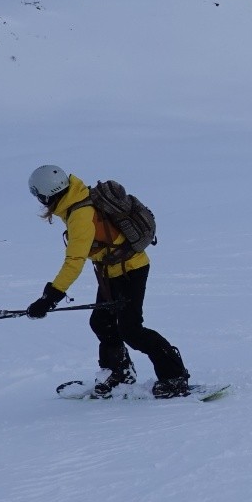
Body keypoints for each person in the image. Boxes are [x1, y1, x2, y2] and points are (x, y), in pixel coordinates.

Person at [26, 164, 191, 398]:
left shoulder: (80, 215)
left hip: (131, 270)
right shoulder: (75, 202)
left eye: (38, 195)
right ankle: (119, 374)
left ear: (46, 194)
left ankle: (175, 377)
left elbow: (74, 261)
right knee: (101, 321)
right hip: (112, 271)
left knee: (131, 330)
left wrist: (50, 297)